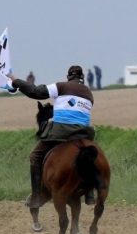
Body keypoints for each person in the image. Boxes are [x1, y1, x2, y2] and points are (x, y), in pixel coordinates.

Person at [7, 65, 97, 208]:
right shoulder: (89, 93)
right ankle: (90, 194)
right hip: (84, 134)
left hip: (61, 132)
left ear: (68, 77)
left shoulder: (60, 86)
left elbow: (35, 92)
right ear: (82, 78)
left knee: (35, 156)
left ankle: (36, 197)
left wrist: (15, 80)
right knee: (90, 156)